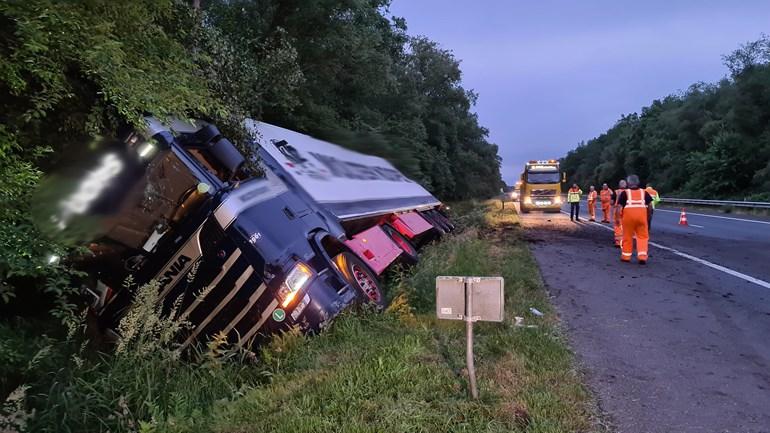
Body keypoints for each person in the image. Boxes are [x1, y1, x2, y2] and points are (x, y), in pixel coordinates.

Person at [617, 175, 653, 264]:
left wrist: (618, 218)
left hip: (628, 218)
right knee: (643, 237)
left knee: (627, 236)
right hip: (642, 217)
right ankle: (642, 256)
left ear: (628, 183)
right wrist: (648, 216)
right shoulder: (644, 192)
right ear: (638, 182)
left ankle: (626, 256)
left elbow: (619, 207)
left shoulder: (625, 193)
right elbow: (650, 206)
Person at [611, 179, 626, 247]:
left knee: (618, 226)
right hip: (627, 211)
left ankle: (618, 242)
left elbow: (611, 202)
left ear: (619, 185)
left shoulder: (616, 192)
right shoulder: (628, 192)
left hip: (617, 210)